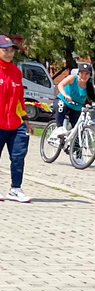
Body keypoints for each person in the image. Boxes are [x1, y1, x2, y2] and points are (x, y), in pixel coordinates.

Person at [0, 34, 32, 203]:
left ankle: (15, 189)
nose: (9, 53)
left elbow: (20, 99)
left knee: (18, 157)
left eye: (11, 50)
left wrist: (26, 120)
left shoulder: (16, 72)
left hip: (15, 123)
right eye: (5, 50)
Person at [51, 63, 95, 139]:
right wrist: (65, 95)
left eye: (87, 74)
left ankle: (75, 148)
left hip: (76, 108)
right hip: (63, 101)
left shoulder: (89, 86)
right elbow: (60, 85)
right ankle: (59, 128)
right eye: (81, 73)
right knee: (61, 106)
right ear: (78, 73)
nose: (84, 76)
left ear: (90, 75)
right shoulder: (73, 78)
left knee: (77, 129)